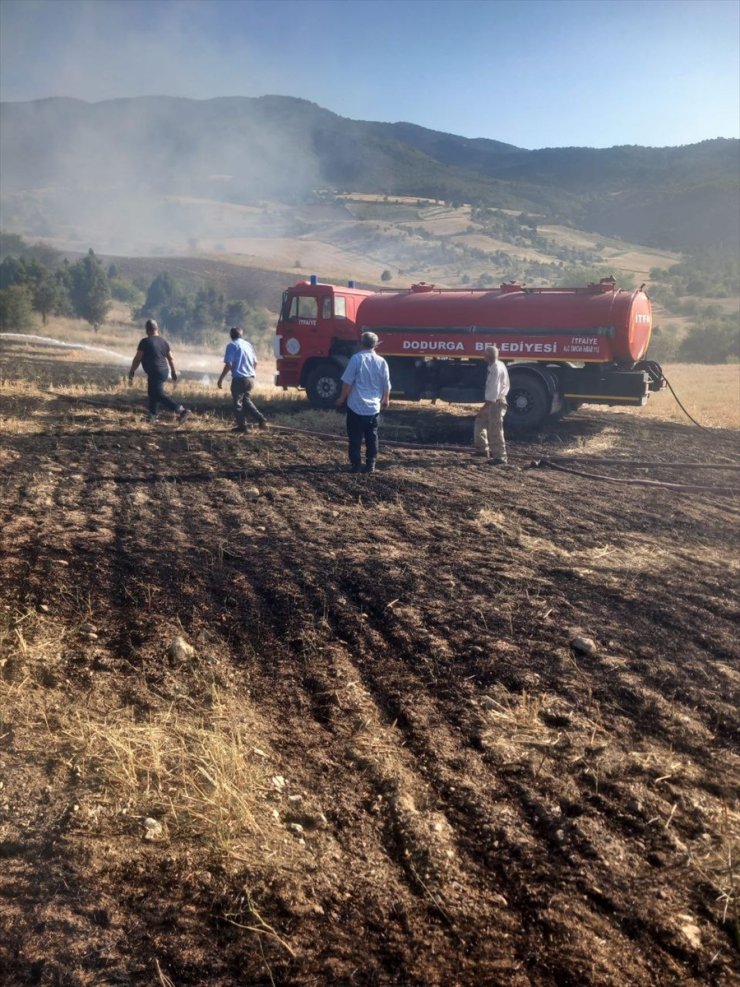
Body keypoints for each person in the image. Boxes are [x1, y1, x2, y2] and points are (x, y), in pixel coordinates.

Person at [336, 331, 391, 473]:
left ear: (361, 343)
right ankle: (371, 464)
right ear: (376, 344)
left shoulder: (356, 359)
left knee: (355, 437)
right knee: (372, 437)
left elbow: (347, 382)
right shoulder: (381, 361)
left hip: (356, 406)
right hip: (373, 408)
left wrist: (342, 398)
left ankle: (356, 465)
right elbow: (386, 384)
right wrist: (386, 399)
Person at [128, 319, 190, 423]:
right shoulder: (163, 342)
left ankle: (182, 410)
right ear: (157, 329)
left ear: (147, 330)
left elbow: (137, 359)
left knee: (159, 394)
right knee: (152, 392)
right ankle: (152, 415)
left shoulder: (145, 341)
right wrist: (173, 372)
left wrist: (132, 372)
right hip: (163, 371)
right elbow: (171, 358)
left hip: (156, 371)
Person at [217, 327, 268, 433]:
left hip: (239, 379)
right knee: (246, 401)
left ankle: (242, 427)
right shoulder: (248, 345)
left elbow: (229, 364)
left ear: (231, 335)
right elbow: (255, 362)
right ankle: (261, 420)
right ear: (241, 335)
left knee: (237, 403)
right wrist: (249, 373)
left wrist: (221, 379)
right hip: (250, 378)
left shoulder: (231, 345)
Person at [474, 343, 509, 464]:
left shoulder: (495, 370)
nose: (482, 355)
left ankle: (500, 457)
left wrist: (484, 407)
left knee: (495, 429)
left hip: (495, 403)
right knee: (480, 421)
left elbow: (493, 394)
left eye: (484, 354)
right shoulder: (498, 364)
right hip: (495, 401)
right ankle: (482, 449)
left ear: (487, 356)